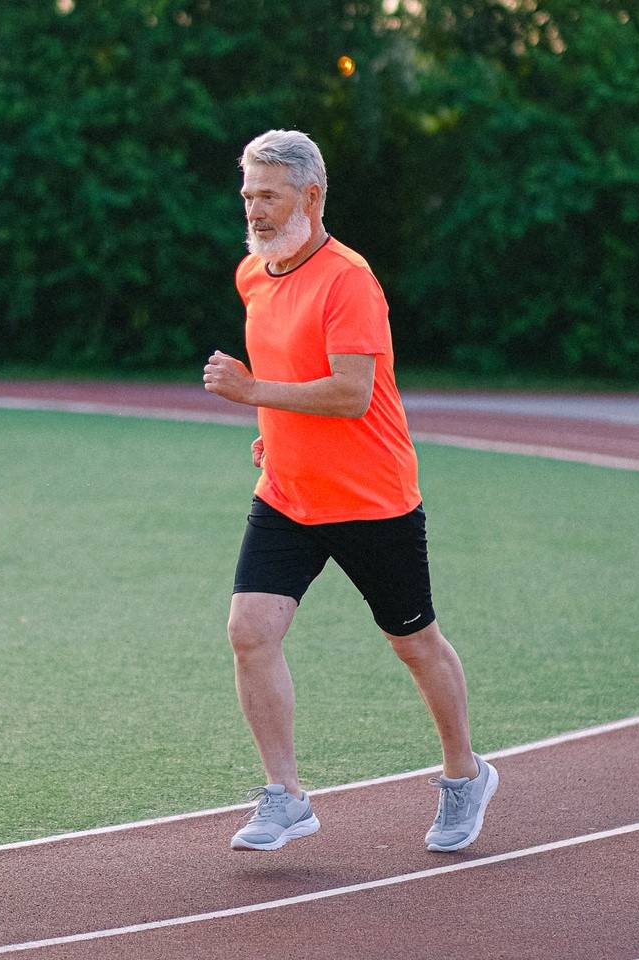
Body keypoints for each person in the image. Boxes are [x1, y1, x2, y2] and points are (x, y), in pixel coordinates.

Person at [202, 129, 498, 854]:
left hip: (373, 500)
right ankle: (285, 796)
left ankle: (465, 774)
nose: (256, 209)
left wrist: (250, 393)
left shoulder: (349, 280)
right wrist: (275, 430)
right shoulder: (253, 272)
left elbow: (351, 393)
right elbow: (293, 367)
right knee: (250, 631)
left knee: (415, 643)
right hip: (288, 496)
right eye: (248, 195)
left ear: (312, 195)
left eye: (268, 195)